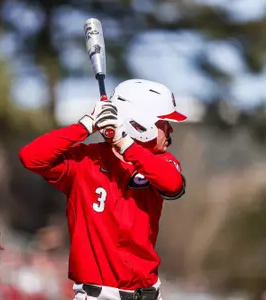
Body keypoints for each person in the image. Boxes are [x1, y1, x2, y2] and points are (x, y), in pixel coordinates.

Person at [19, 79, 187, 300]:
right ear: (141, 123)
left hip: (149, 293)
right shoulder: (84, 160)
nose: (170, 129)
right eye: (164, 123)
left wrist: (125, 144)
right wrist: (86, 125)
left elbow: (173, 185)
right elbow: (31, 157)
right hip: (98, 295)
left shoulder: (162, 161)